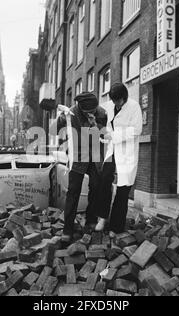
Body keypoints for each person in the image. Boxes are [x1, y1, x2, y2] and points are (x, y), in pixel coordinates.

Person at [55, 92, 108, 243]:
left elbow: (104, 135)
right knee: (73, 191)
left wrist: (94, 124)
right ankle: (68, 229)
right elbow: (58, 128)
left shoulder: (102, 113)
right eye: (89, 112)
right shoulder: (71, 112)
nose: (92, 113)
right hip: (78, 155)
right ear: (81, 108)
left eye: (93, 110)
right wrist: (61, 118)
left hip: (95, 154)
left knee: (96, 187)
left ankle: (91, 219)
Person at [95, 83, 143, 237]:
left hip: (127, 152)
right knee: (104, 180)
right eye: (114, 101)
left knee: (123, 189)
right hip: (112, 150)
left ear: (125, 97)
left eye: (119, 101)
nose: (116, 103)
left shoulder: (134, 107)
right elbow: (98, 116)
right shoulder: (108, 105)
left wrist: (114, 136)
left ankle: (116, 227)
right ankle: (102, 218)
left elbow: (136, 130)